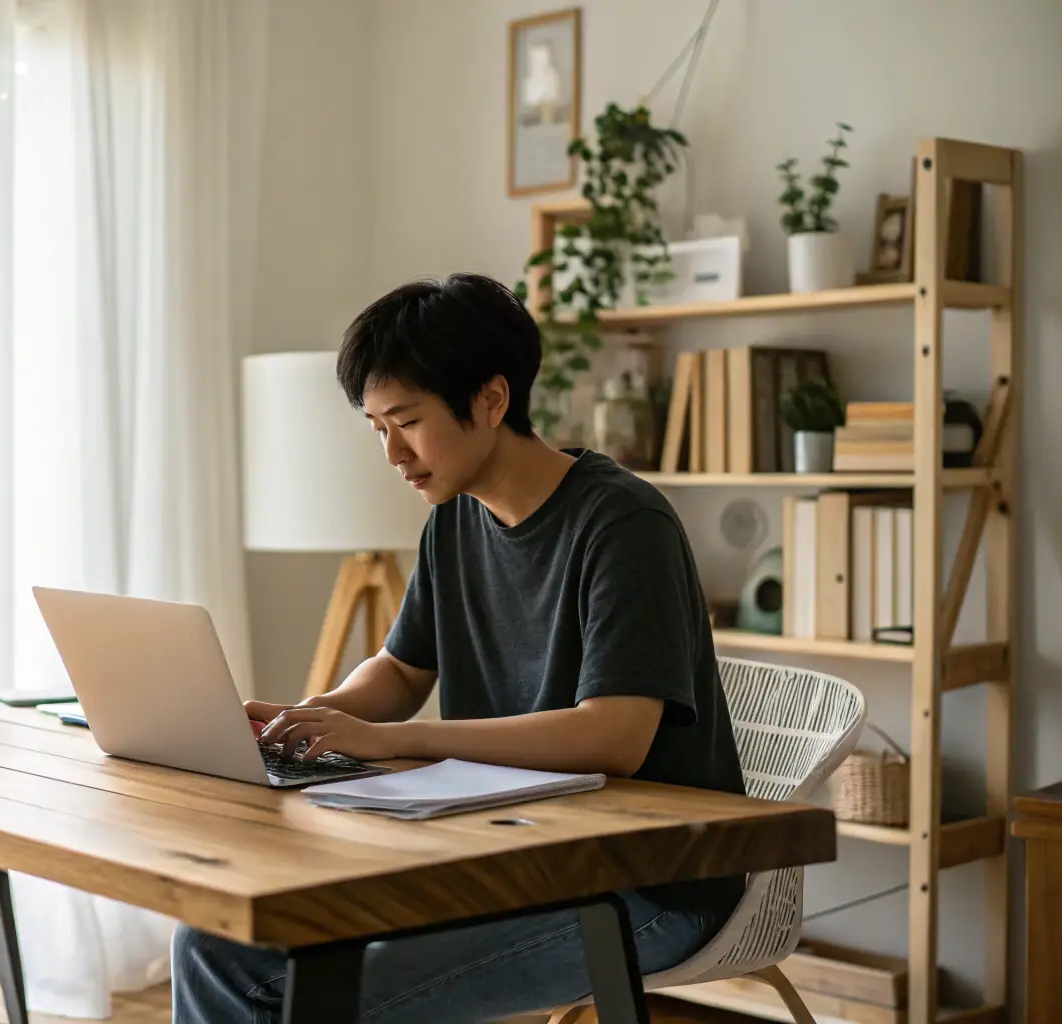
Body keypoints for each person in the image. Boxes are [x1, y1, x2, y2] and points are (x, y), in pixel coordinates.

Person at [171, 272, 747, 1023]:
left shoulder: (622, 524)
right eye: (377, 428)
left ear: (491, 399)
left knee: (324, 998)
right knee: (213, 946)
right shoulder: (453, 519)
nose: (391, 454)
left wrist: (390, 740)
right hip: (501, 855)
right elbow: (403, 668)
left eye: (405, 422)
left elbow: (616, 737)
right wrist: (313, 717)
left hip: (644, 883)